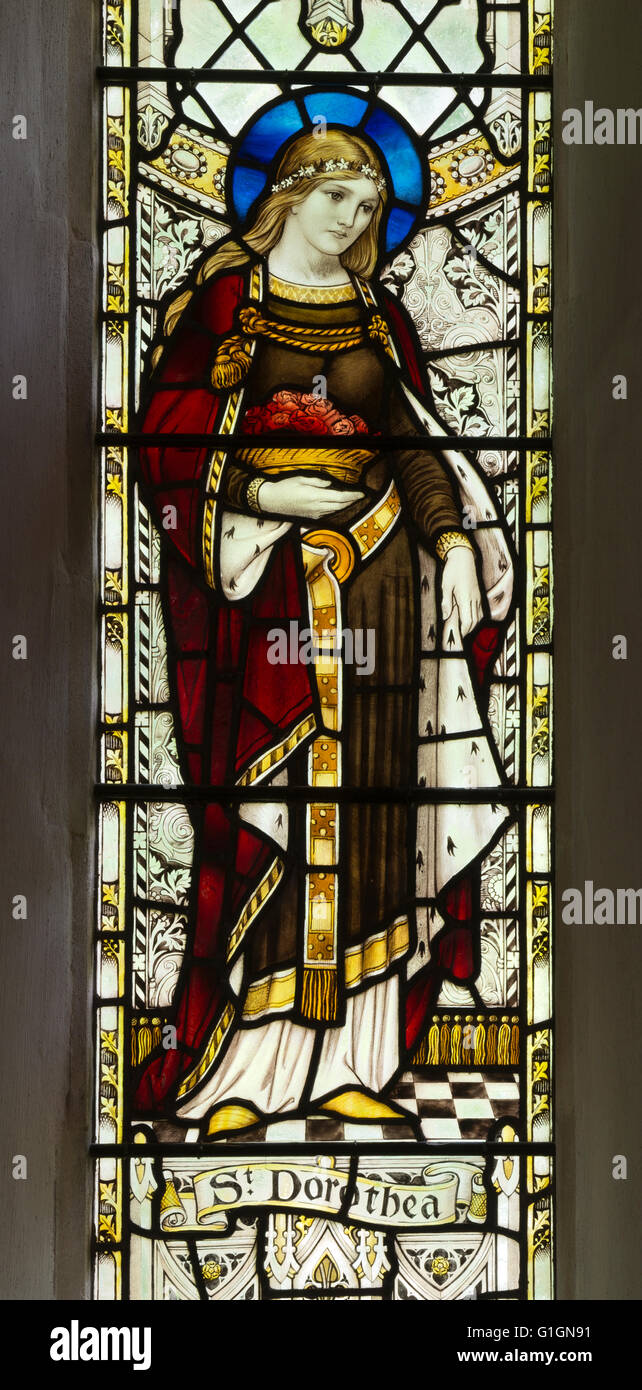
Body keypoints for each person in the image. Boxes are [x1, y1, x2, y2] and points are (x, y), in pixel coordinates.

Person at [134, 127, 512, 1137]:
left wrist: (456, 545)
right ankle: (246, 1069)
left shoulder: (379, 319)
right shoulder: (224, 307)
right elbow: (165, 442)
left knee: (381, 823)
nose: (359, 221)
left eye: (371, 206)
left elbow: (414, 443)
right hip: (268, 598)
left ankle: (355, 1054)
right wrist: (257, 495)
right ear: (291, 195)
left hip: (383, 589)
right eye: (343, 198)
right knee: (276, 824)